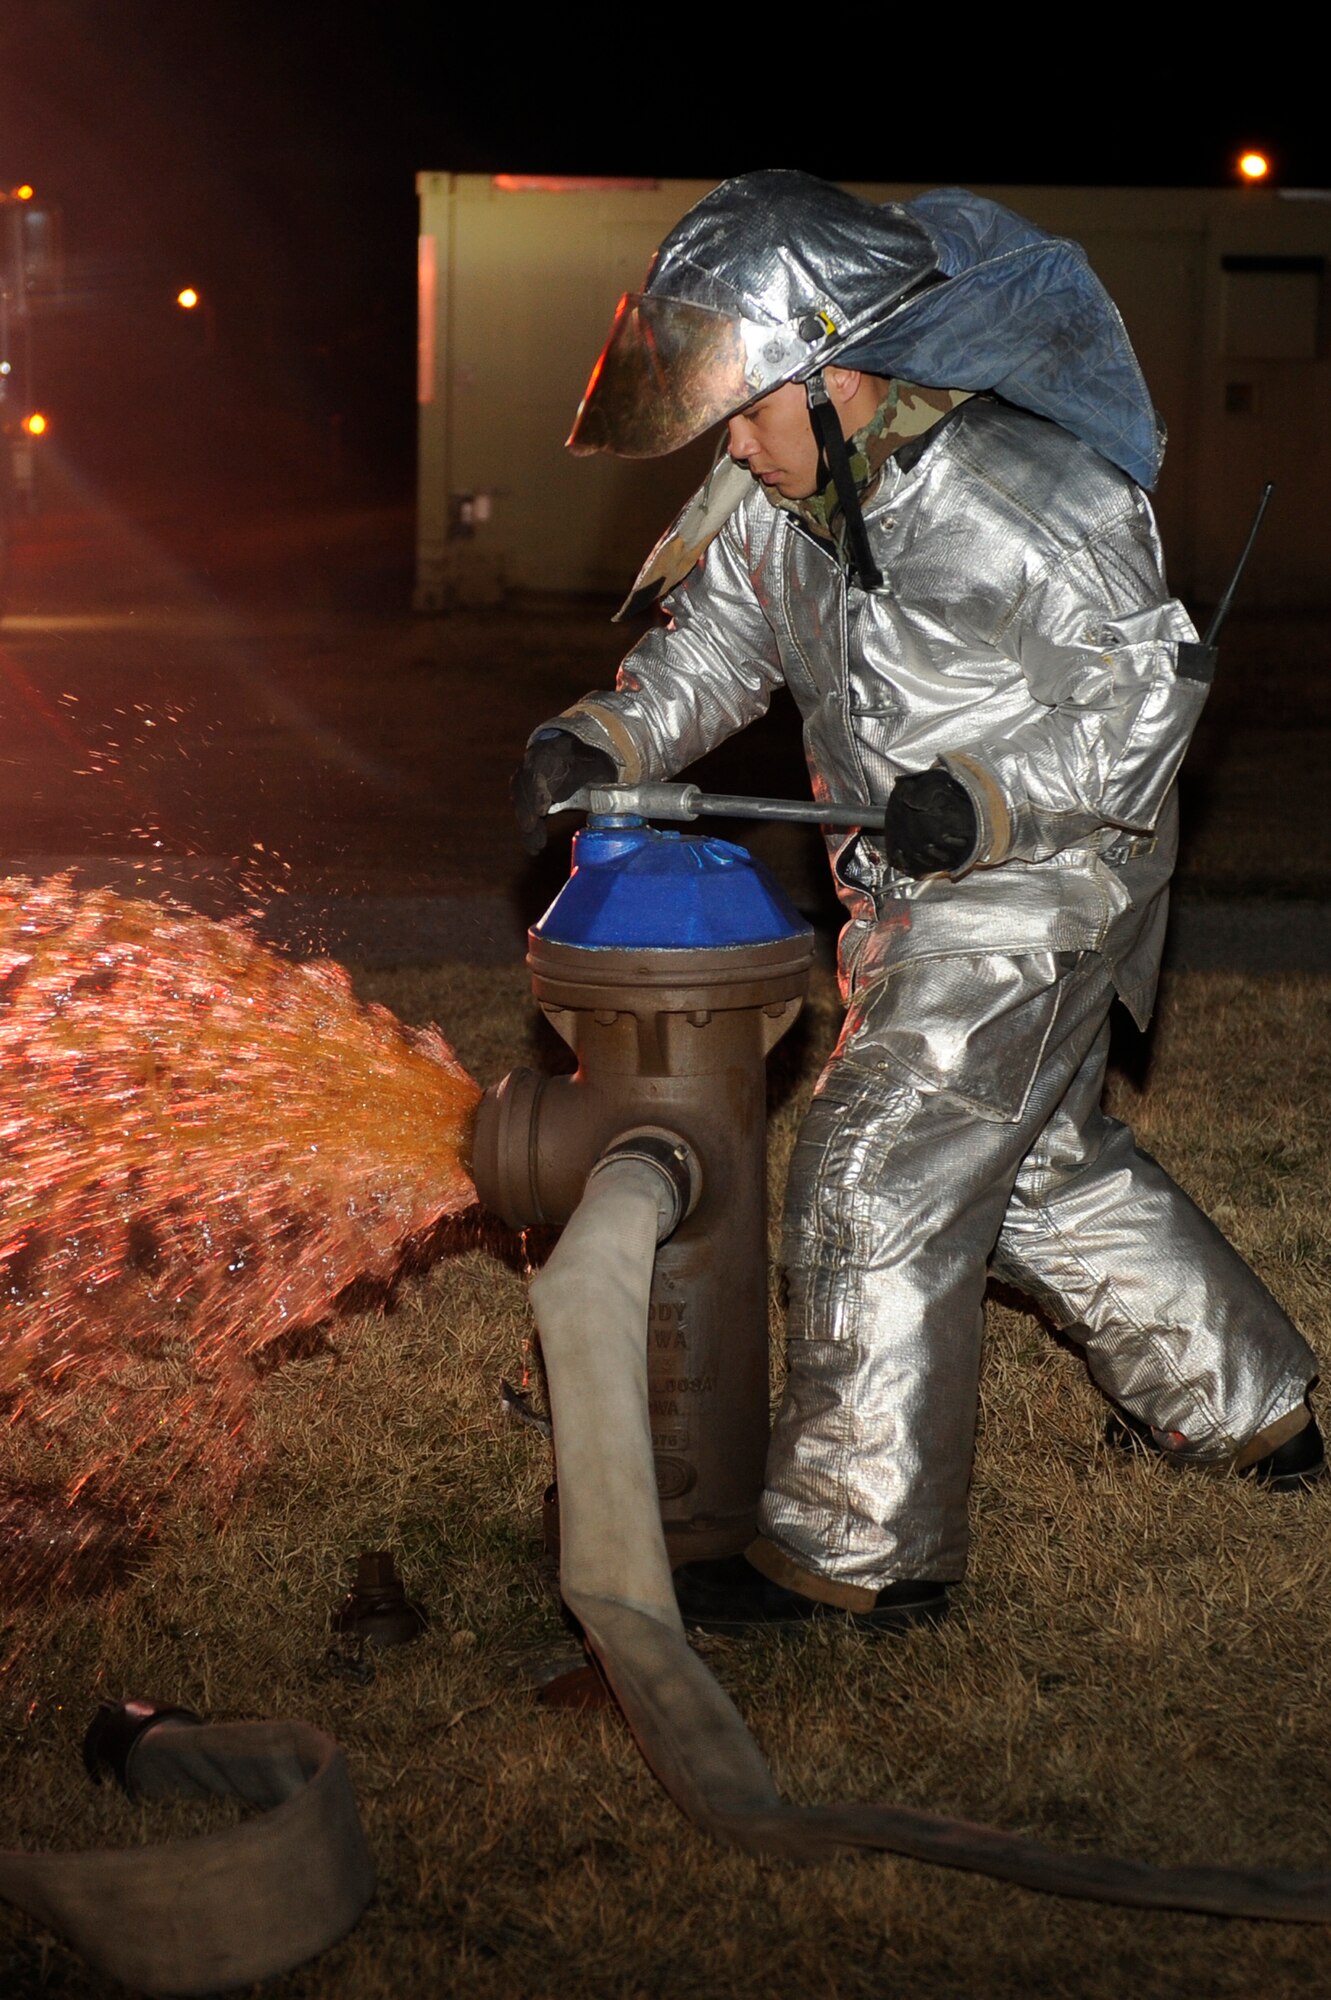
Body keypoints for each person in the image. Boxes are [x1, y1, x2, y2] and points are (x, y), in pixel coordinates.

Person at [513, 171, 1322, 1636]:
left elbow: (1148, 699)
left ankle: (859, 1553)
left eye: (748, 408)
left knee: (879, 1168)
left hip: (1043, 885)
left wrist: (991, 792)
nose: (734, 444)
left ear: (835, 372)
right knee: (1025, 1174)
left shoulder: (1029, 498)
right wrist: (610, 738)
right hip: (906, 897)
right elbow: (720, 648)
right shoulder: (789, 501)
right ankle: (1253, 1406)